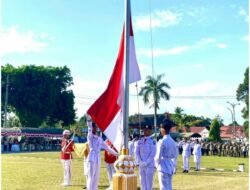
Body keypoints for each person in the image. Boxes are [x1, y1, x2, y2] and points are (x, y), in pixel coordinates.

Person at [86, 118, 119, 190]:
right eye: (94, 127)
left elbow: (107, 148)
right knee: (91, 176)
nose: (96, 128)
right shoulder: (90, 136)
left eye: (96, 127)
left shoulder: (99, 138)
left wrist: (117, 154)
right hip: (92, 157)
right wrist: (89, 120)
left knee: (96, 176)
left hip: (97, 158)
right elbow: (89, 128)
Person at [155, 119, 178, 190]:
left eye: (161, 129)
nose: (160, 130)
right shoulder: (173, 142)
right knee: (169, 186)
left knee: (163, 187)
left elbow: (157, 157)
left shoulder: (161, 142)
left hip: (163, 166)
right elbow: (175, 156)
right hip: (170, 165)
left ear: (163, 129)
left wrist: (156, 165)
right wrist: (174, 166)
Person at [135, 125, 156, 190]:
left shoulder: (153, 141)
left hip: (149, 165)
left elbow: (153, 153)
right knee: (142, 182)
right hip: (141, 165)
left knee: (149, 183)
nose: (144, 131)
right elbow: (137, 152)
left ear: (150, 131)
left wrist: (146, 162)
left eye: (146, 130)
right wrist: (140, 161)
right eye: (144, 130)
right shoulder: (140, 140)